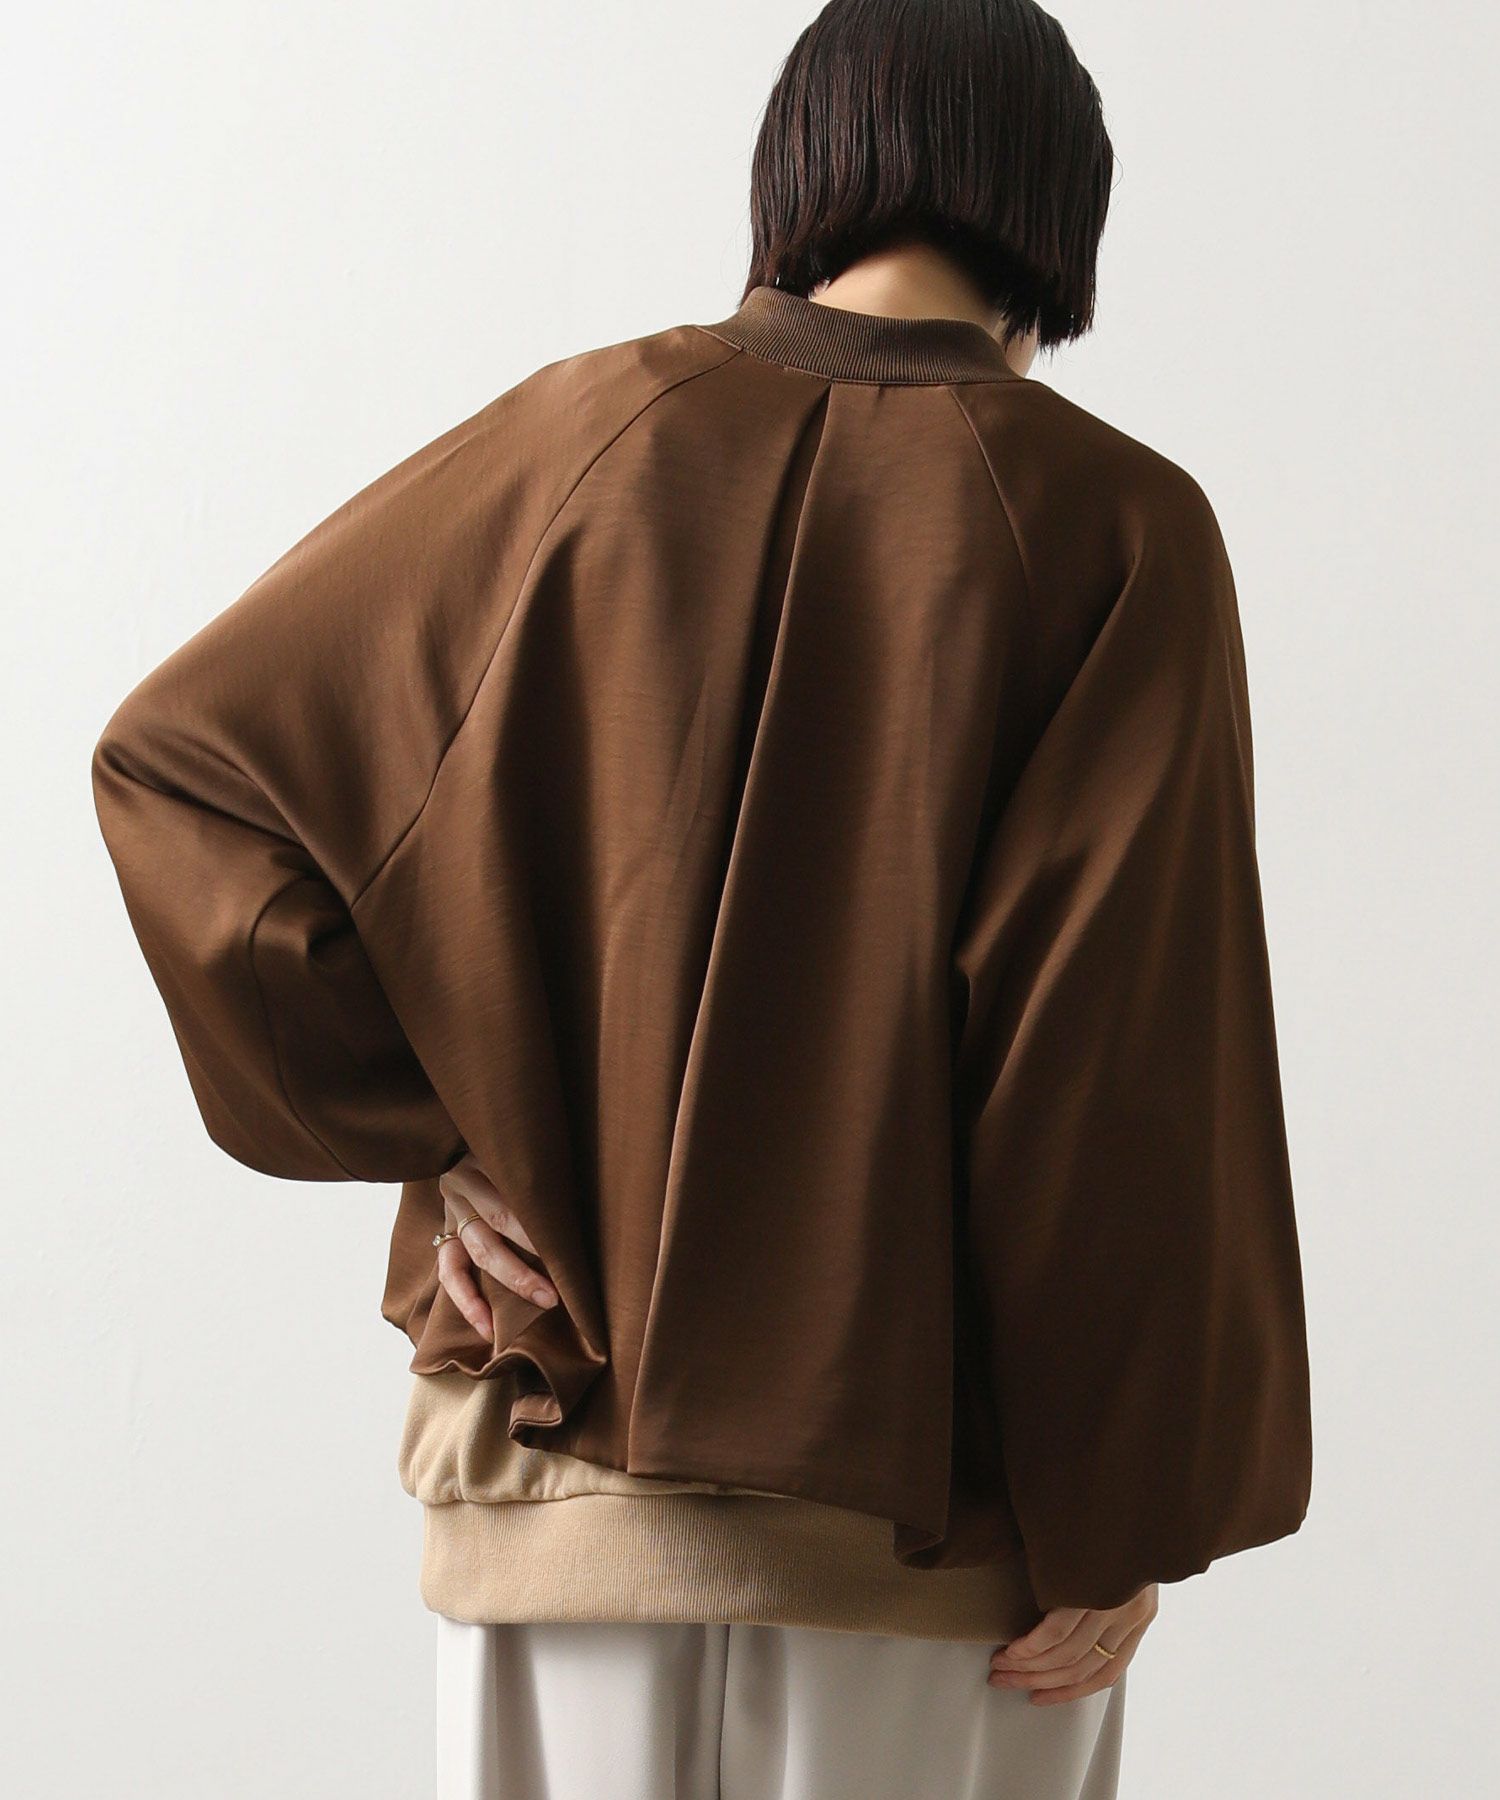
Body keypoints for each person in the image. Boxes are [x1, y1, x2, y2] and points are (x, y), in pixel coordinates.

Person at [90, 1, 1313, 1795]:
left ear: (803, 166)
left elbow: (180, 767)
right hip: (922, 1543)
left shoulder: (577, 441)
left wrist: (430, 1128)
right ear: (1059, 208)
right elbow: (1105, 1070)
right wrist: (1121, 1513)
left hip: (546, 1489)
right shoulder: (1116, 530)